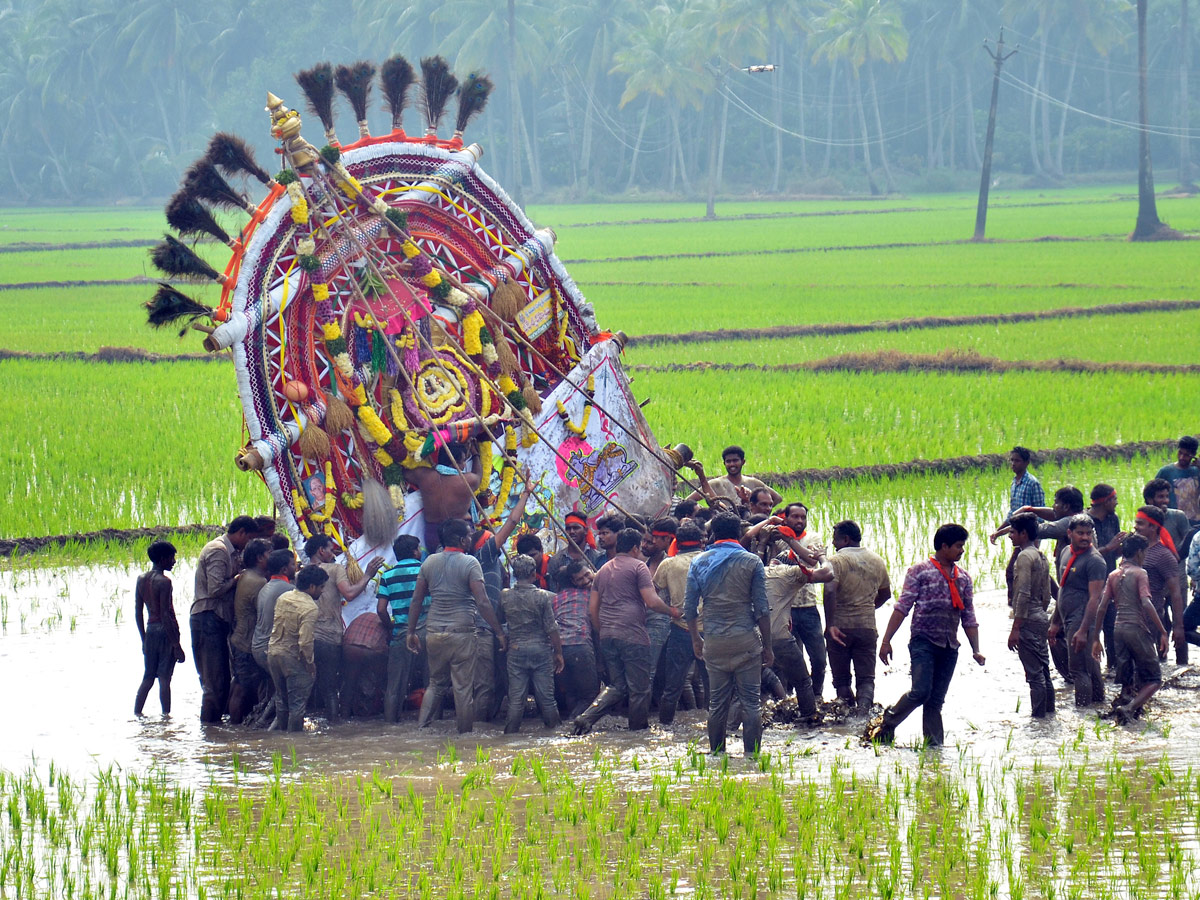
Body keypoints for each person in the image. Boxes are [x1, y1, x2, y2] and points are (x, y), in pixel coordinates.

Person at [875, 524, 985, 748]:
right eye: (958, 546)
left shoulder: (963, 578)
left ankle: (935, 749)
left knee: (935, 702)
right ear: (944, 546)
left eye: (962, 546)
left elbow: (969, 616)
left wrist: (976, 649)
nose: (961, 551)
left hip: (949, 645)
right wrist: (886, 641)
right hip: (923, 642)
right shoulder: (920, 571)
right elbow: (902, 608)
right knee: (921, 692)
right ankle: (888, 721)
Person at [573, 528, 682, 734]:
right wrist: (672, 611)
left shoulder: (602, 570)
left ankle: (586, 718)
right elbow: (651, 601)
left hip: (607, 635)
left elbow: (592, 609)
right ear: (635, 548)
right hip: (633, 634)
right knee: (639, 689)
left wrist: (601, 631)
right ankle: (638, 732)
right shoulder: (639, 567)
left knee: (618, 685)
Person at [406, 518, 507, 733]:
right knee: (462, 688)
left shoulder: (429, 563)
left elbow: (416, 601)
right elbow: (483, 601)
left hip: (434, 632)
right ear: (462, 540)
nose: (471, 539)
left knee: (435, 684)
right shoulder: (470, 563)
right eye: (470, 535)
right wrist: (498, 631)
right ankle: (465, 738)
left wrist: (411, 631)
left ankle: (420, 731)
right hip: (462, 633)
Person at [684, 513, 773, 756]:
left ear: (713, 534)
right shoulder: (752, 562)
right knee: (750, 703)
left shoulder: (699, 562)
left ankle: (716, 755)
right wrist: (768, 646)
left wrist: (695, 639)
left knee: (717, 704)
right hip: (745, 640)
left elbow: (689, 608)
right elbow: (762, 609)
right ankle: (752, 757)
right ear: (737, 533)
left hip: (714, 641)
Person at [305, 535, 384, 721]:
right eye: (331, 550)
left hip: (307, 636)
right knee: (331, 688)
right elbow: (349, 594)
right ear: (320, 551)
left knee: (307, 687)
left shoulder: (300, 574)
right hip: (329, 637)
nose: (333, 554)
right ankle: (335, 729)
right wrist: (368, 575)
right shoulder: (335, 569)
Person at [1092, 536, 1170, 722]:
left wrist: (1096, 638)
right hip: (1136, 628)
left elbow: (1102, 607)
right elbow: (1146, 603)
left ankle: (1125, 712)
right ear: (1139, 552)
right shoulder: (1140, 573)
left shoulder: (1113, 575)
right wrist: (1163, 631)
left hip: (1118, 630)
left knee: (1127, 679)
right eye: (1145, 553)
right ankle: (1129, 708)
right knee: (1155, 679)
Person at [191, 515, 256, 723]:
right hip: (208, 617)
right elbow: (215, 588)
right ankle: (210, 732)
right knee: (214, 683)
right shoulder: (218, 551)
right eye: (248, 539)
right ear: (241, 533)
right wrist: (237, 579)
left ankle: (216, 732)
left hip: (217, 619)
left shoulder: (231, 551)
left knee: (222, 679)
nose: (248, 545)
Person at [823, 520, 892, 712]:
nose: (834, 544)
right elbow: (886, 593)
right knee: (866, 678)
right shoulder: (877, 560)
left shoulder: (836, 560)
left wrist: (830, 625)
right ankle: (863, 717)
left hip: (840, 627)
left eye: (835, 540)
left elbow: (829, 592)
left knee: (842, 679)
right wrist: (868, 607)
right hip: (867, 627)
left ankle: (845, 719)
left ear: (845, 539)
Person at [763, 534, 830, 719]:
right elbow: (827, 573)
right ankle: (809, 718)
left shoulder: (759, 571)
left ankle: (732, 727)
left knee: (751, 684)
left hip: (751, 637)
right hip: (779, 638)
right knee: (802, 681)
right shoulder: (789, 574)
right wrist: (822, 556)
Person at [499, 554, 565, 733]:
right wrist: (558, 653)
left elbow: (501, 622)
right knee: (546, 698)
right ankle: (554, 734)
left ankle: (509, 736)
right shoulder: (542, 597)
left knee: (516, 699)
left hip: (515, 650)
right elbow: (551, 627)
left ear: (514, 573)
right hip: (540, 650)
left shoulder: (505, 596)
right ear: (534, 574)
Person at [652, 520, 708, 724]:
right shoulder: (710, 560)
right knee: (711, 684)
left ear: (678, 541)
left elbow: (654, 592)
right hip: (708, 630)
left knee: (672, 686)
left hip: (680, 629)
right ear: (701, 541)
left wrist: (670, 610)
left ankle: (665, 726)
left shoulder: (668, 564)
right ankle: (713, 727)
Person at [1049, 515, 1107, 707]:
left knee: (1078, 670)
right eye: (1080, 533)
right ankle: (1098, 706)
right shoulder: (1066, 552)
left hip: (1082, 620)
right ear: (1069, 533)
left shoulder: (1095, 561)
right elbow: (1062, 587)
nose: (1085, 537)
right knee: (1091, 666)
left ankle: (1083, 713)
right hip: (1066, 616)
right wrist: (1056, 621)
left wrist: (1083, 630)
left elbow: (1095, 599)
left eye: (1088, 533)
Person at [1005, 513, 1055, 718]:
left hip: (1028, 618)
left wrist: (1016, 627)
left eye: (1012, 532)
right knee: (1044, 670)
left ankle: (1039, 719)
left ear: (1023, 534)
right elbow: (1047, 594)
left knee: (1034, 675)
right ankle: (1049, 715)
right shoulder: (1040, 556)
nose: (1010, 536)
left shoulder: (1024, 557)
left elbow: (1023, 592)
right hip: (1041, 616)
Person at [267, 564, 326, 732]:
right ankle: (295, 745)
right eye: (321, 587)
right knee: (297, 706)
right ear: (312, 587)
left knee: (282, 700)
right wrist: (310, 663)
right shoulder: (310, 608)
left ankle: (280, 742)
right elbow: (305, 642)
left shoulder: (284, 597)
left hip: (274, 653)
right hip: (292, 658)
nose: (322, 592)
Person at [134, 541, 185, 716]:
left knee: (148, 677)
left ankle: (137, 714)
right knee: (164, 679)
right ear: (163, 559)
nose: (174, 561)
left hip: (150, 631)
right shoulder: (164, 582)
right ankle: (166, 717)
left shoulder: (141, 579)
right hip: (165, 632)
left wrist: (144, 639)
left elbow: (138, 612)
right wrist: (176, 645)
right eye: (172, 558)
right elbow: (165, 615)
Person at [377, 535, 425, 722]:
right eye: (419, 548)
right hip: (426, 631)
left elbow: (381, 609)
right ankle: (430, 725)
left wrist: (391, 628)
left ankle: (390, 726)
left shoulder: (387, 576)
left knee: (395, 686)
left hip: (401, 633)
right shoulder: (425, 570)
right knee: (433, 684)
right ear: (414, 552)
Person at [404, 442, 482, 552]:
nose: (464, 465)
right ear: (454, 462)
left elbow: (405, 473)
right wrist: (475, 455)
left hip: (433, 535)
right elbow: (478, 476)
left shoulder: (423, 476)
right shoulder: (468, 480)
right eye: (463, 460)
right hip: (461, 533)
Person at [1132, 505, 1186, 663]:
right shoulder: (1133, 549)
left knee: (1150, 666)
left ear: (1153, 527)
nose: (1136, 526)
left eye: (1140, 523)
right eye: (1136, 522)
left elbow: (1176, 593)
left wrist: (1178, 627)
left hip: (1151, 619)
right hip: (1128, 619)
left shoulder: (1164, 556)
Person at [228, 538, 271, 724]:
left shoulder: (246, 575)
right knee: (243, 688)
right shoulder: (259, 582)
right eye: (269, 554)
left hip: (239, 638)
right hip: (247, 643)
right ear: (260, 558)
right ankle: (236, 729)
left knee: (238, 683)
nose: (272, 557)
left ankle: (233, 726)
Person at [252, 550, 297, 728]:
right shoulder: (289, 590)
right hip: (270, 649)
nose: (296, 567)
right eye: (293, 565)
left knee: (280, 690)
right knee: (286, 694)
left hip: (258, 645)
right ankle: (272, 732)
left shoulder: (266, 586)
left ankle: (262, 722)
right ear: (285, 569)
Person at [552, 558, 601, 719]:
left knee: (571, 692)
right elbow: (595, 624)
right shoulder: (588, 595)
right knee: (590, 695)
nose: (586, 581)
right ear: (574, 581)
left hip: (558, 649)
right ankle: (573, 725)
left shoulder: (555, 599)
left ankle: (567, 727)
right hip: (580, 645)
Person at [1087, 483, 1125, 670]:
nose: (1116, 503)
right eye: (1114, 499)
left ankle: (1113, 668)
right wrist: (1109, 547)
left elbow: (1114, 553)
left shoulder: (1112, 519)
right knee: (1091, 625)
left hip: (1110, 579)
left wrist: (1122, 546)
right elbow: (1086, 555)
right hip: (1091, 581)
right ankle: (1091, 667)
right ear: (1105, 501)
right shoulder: (1085, 522)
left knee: (1112, 625)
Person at [685, 446, 781, 510]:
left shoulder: (754, 483)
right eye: (728, 461)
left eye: (735, 460)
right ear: (724, 463)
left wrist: (763, 511)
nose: (732, 464)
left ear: (743, 462)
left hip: (750, 524)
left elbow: (777, 498)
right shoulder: (715, 484)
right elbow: (688, 501)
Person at [546, 511, 604, 592]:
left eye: (576, 528)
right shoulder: (556, 561)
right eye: (568, 528)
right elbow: (553, 591)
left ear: (586, 530)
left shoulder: (597, 557)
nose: (572, 532)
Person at [1154, 436, 1200, 524]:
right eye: (1180, 453)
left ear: (1193, 455)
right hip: (1174, 523)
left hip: (1196, 523)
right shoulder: (1166, 472)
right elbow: (1152, 494)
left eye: (1186, 455)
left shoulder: (1197, 471)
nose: (1182, 457)